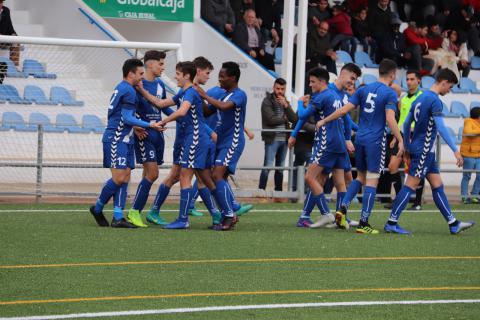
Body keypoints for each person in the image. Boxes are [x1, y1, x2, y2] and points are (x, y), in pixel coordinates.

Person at [316, 59, 404, 234]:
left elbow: (343, 110)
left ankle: (342, 209)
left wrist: (324, 120)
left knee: (360, 177)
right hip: (375, 142)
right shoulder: (390, 94)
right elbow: (390, 118)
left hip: (360, 139)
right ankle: (364, 222)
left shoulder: (363, 89)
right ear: (393, 75)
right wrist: (400, 139)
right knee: (372, 179)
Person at [385, 69, 475, 235]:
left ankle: (452, 222)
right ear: (444, 82)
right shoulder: (434, 101)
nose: (450, 90)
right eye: (450, 86)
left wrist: (406, 145)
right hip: (424, 151)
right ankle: (391, 222)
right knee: (410, 185)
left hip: (422, 150)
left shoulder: (420, 98)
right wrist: (455, 150)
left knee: (437, 185)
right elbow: (440, 127)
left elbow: (406, 123)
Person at [88, 59, 164, 228]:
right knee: (119, 177)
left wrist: (136, 127)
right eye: (140, 74)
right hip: (116, 138)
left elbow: (123, 116)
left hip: (126, 138)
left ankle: (117, 217)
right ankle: (98, 207)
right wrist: (149, 124)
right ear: (131, 74)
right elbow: (127, 117)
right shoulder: (128, 90)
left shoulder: (123, 88)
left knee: (126, 176)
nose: (142, 77)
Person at [288, 67, 349, 230]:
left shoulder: (321, 96)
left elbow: (301, 116)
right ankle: (340, 219)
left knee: (310, 178)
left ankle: (325, 213)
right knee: (339, 182)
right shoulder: (335, 95)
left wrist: (300, 102)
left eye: (312, 81)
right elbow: (345, 118)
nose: (310, 84)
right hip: (339, 142)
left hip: (327, 142)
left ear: (322, 82)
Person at [198, 61, 248, 231]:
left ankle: (228, 215)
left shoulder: (239, 95)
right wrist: (194, 96)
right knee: (217, 177)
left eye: (222, 76)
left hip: (232, 141)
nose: (219, 79)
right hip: (221, 141)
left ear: (233, 78)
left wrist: (204, 95)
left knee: (217, 174)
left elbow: (225, 107)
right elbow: (207, 111)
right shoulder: (222, 95)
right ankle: (229, 212)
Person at [126, 51, 174, 227]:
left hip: (158, 134)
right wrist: (135, 126)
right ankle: (134, 212)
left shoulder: (160, 84)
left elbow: (164, 108)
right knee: (153, 173)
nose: (163, 67)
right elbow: (127, 109)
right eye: (161, 64)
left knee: (149, 174)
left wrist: (177, 117)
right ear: (150, 64)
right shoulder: (136, 84)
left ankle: (142, 212)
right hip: (144, 134)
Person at [384, 70, 424, 210]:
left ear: (418, 81)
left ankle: (417, 202)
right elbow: (400, 120)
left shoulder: (422, 97)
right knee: (392, 166)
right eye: (407, 79)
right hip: (402, 136)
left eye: (412, 79)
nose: (408, 82)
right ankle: (400, 199)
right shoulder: (404, 98)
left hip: (415, 136)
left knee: (415, 169)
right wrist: (396, 137)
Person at [259, 78, 297, 191]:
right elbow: (270, 120)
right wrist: (285, 119)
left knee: (280, 168)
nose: (280, 91)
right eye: (278, 88)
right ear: (273, 88)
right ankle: (261, 191)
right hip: (272, 139)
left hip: (284, 139)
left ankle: (278, 193)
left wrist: (286, 106)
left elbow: (294, 119)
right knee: (268, 166)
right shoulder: (267, 101)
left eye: (282, 89)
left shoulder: (286, 102)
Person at [460, 107, 480, 204]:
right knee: (467, 176)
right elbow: (468, 132)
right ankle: (464, 196)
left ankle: (475, 195)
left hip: (478, 154)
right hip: (469, 154)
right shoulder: (468, 121)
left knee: (479, 175)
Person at [0, 0, 19, 65]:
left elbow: (9, 26)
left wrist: (14, 35)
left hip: (4, 38)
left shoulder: (6, 10)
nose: (0, 4)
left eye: (1, 2)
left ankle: (14, 66)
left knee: (16, 41)